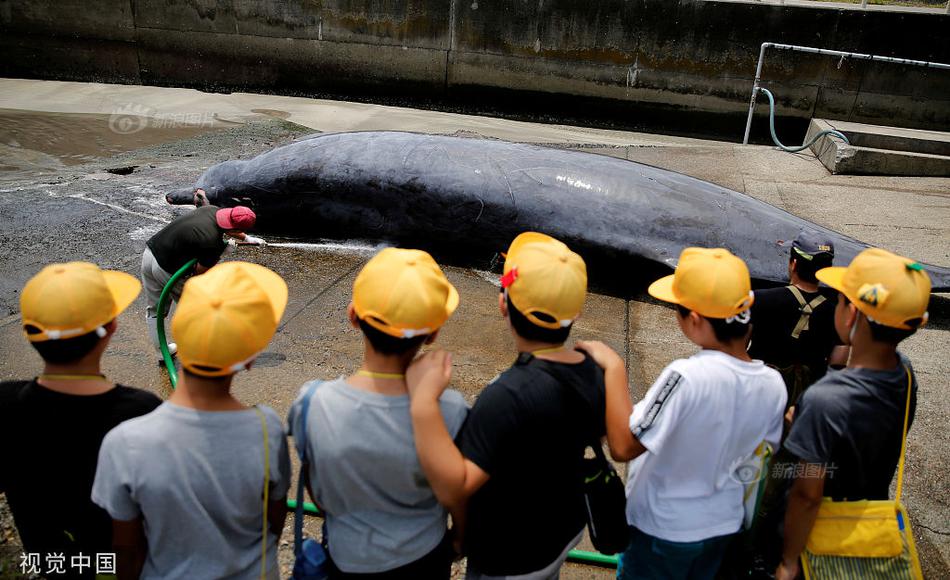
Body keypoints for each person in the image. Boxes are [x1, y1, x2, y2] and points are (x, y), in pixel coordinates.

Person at [577, 247, 786, 580]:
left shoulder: (686, 377)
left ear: (696, 320)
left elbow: (624, 446)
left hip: (663, 532)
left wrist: (614, 367)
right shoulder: (774, 384)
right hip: (722, 526)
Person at [407, 232, 606, 579]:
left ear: (503, 303)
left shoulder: (505, 397)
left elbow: (457, 486)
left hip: (509, 557)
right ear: (575, 313)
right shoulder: (593, 369)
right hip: (560, 533)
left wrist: (423, 403)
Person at [92, 261, 291, 580]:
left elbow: (127, 551)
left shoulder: (124, 442)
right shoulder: (267, 431)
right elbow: (273, 522)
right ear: (251, 359)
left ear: (177, 337)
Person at [287, 247, 468, 579]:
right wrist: (457, 541)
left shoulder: (311, 402)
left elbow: (316, 485)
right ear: (433, 333)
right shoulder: (452, 411)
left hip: (346, 555)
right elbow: (461, 495)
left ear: (353, 315)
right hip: (424, 559)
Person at [774, 248, 930, 580]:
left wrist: (789, 561)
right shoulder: (905, 374)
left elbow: (806, 496)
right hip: (869, 525)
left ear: (852, 314)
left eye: (841, 299)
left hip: (819, 540)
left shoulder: (823, 400)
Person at [0, 262, 162, 579]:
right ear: (112, 326)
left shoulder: (4, 405)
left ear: (31, 334)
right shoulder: (143, 412)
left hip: (49, 566)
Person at [141, 204, 265, 354]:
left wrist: (247, 238)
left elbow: (228, 226)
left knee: (155, 310)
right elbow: (199, 274)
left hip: (151, 253)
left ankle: (162, 352)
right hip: (167, 270)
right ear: (235, 229)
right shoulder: (211, 242)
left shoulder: (212, 209)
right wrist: (221, 253)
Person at [748, 231, 847, 407]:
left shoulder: (760, 299)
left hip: (759, 395)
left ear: (793, 264)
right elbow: (837, 366)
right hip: (806, 401)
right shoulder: (837, 314)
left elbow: (737, 347)